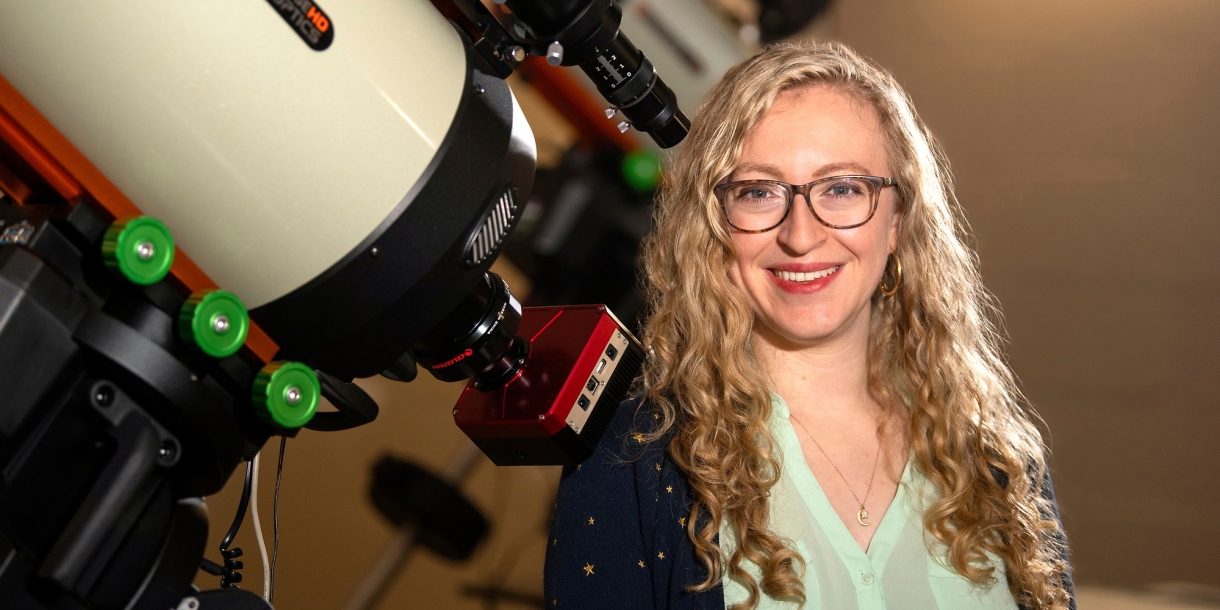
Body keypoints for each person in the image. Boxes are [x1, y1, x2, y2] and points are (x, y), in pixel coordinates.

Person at [543, 40, 1074, 610]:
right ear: (714, 225)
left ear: (898, 219)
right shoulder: (631, 460)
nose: (801, 235)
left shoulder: (997, 459)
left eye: (843, 188)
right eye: (758, 192)